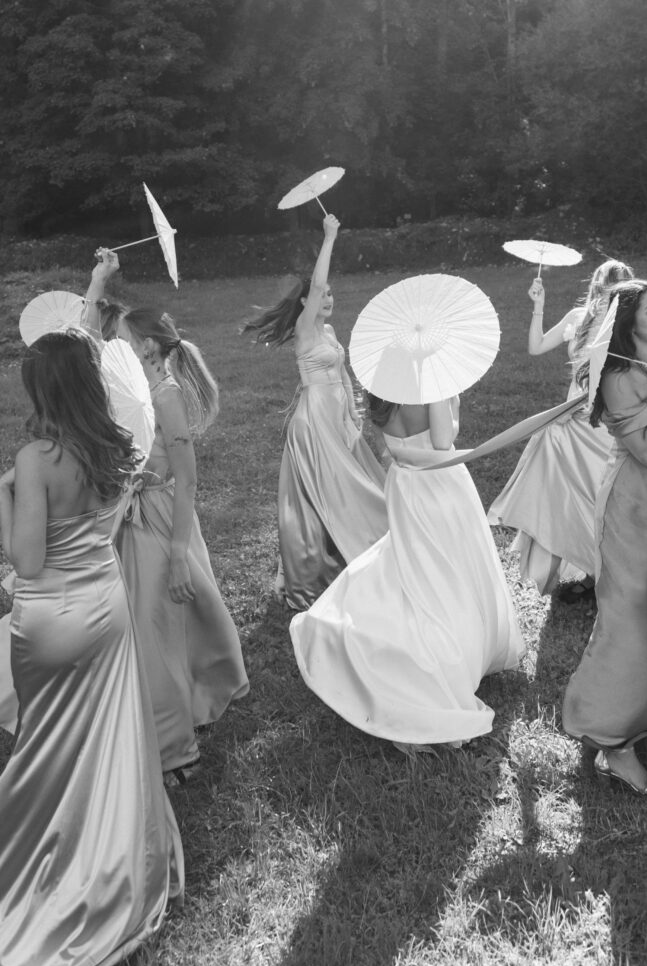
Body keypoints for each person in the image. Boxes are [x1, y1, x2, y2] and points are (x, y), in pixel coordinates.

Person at [0, 329, 183, 966]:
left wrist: (3, 495)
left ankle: (33, 864)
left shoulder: (36, 457)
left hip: (50, 619)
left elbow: (26, 562)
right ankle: (111, 861)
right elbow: (101, 531)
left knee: (43, 748)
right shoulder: (113, 446)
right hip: (105, 611)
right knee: (102, 743)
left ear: (40, 389)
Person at [290, 394, 525, 751]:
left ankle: (381, 634)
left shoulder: (383, 390)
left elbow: (397, 445)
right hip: (438, 489)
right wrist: (448, 399)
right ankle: (446, 656)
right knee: (448, 573)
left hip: (403, 486)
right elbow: (444, 443)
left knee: (413, 567)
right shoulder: (428, 386)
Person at [115, 306, 249, 783]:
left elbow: (187, 481)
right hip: (131, 517)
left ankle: (177, 751)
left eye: (124, 340)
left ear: (148, 347)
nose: (118, 348)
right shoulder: (135, 394)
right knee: (149, 623)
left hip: (160, 518)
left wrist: (176, 555)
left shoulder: (166, 396)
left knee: (156, 627)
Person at [563, 280, 647, 794]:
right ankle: (613, 742)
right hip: (635, 510)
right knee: (632, 622)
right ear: (629, 321)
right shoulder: (616, 377)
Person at [241, 214, 388, 610]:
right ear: (305, 302)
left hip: (337, 418)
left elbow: (344, 375)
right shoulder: (307, 329)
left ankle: (347, 546)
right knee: (331, 488)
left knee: (348, 484)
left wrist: (355, 416)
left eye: (331, 294)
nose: (328, 298)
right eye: (322, 295)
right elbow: (318, 280)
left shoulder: (330, 333)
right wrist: (330, 236)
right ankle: (315, 565)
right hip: (314, 420)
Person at [488, 259, 634, 599]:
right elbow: (536, 346)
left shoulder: (627, 326)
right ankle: (588, 567)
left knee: (601, 495)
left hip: (602, 420)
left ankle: (608, 573)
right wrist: (538, 306)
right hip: (570, 417)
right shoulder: (577, 318)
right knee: (567, 492)